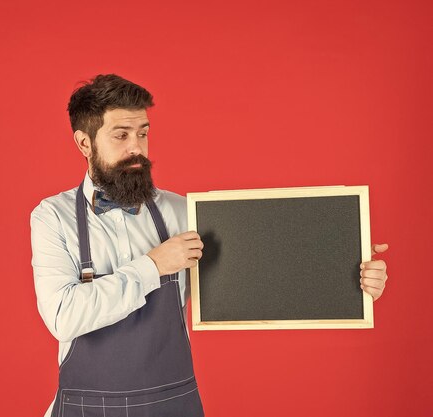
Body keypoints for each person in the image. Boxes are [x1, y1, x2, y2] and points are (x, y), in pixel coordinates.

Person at [30, 74, 389, 417]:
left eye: (143, 133)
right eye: (121, 136)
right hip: (86, 408)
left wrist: (349, 271)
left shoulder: (184, 211)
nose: (137, 148)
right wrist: (153, 266)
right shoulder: (52, 218)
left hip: (173, 404)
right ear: (84, 142)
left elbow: (273, 266)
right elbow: (64, 317)